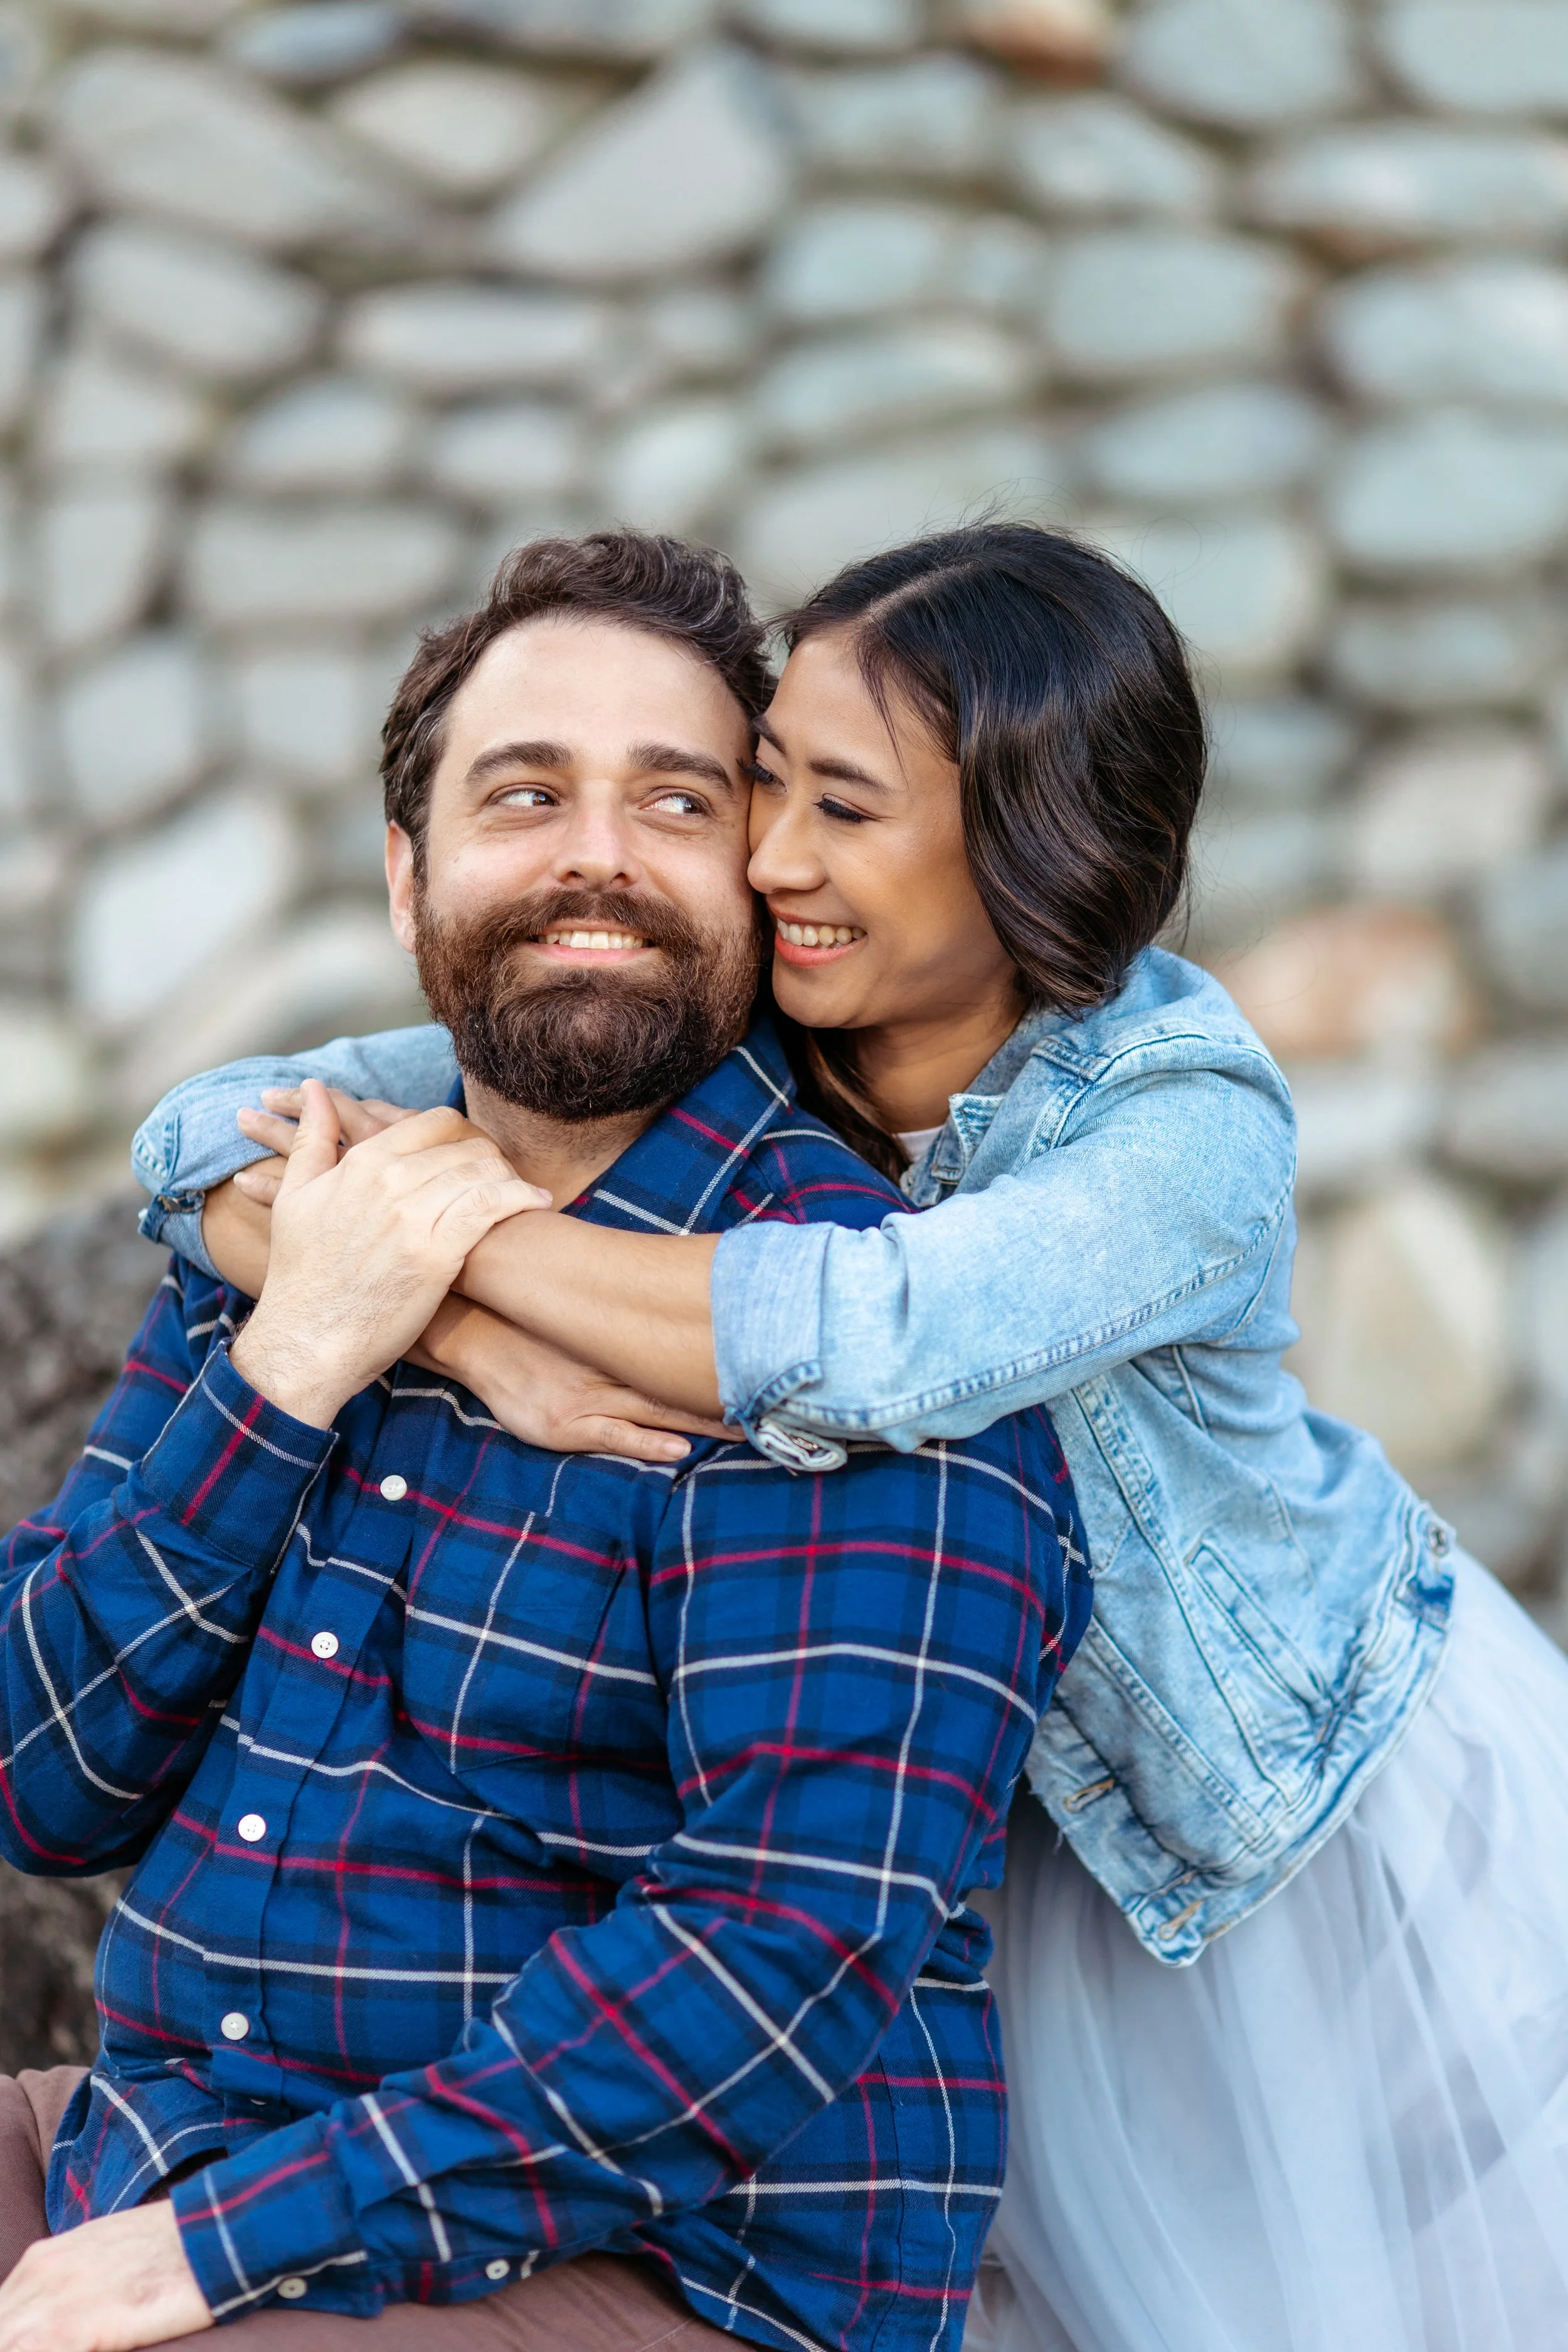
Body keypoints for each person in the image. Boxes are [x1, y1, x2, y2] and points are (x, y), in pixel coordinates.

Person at [146, 521, 1568, 2352]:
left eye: (842, 803)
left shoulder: (1177, 1124)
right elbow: (203, 1134)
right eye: (759, 789)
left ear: (1023, 843)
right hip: (995, 1815)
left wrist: (448, 1248)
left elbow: (865, 1339)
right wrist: (450, 1325)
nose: (770, 859)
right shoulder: (765, 1019)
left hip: (1294, 1826)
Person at [0, 531, 1091, 2352]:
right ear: (409, 874)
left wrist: (227, 2247)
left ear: (760, 880)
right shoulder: (304, 1218)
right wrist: (291, 1370)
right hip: (154, 2141)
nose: (597, 850)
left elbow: (767, 1960)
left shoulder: (851, 1328)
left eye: (674, 799)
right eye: (526, 793)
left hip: (646, 2268)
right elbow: (43, 1774)